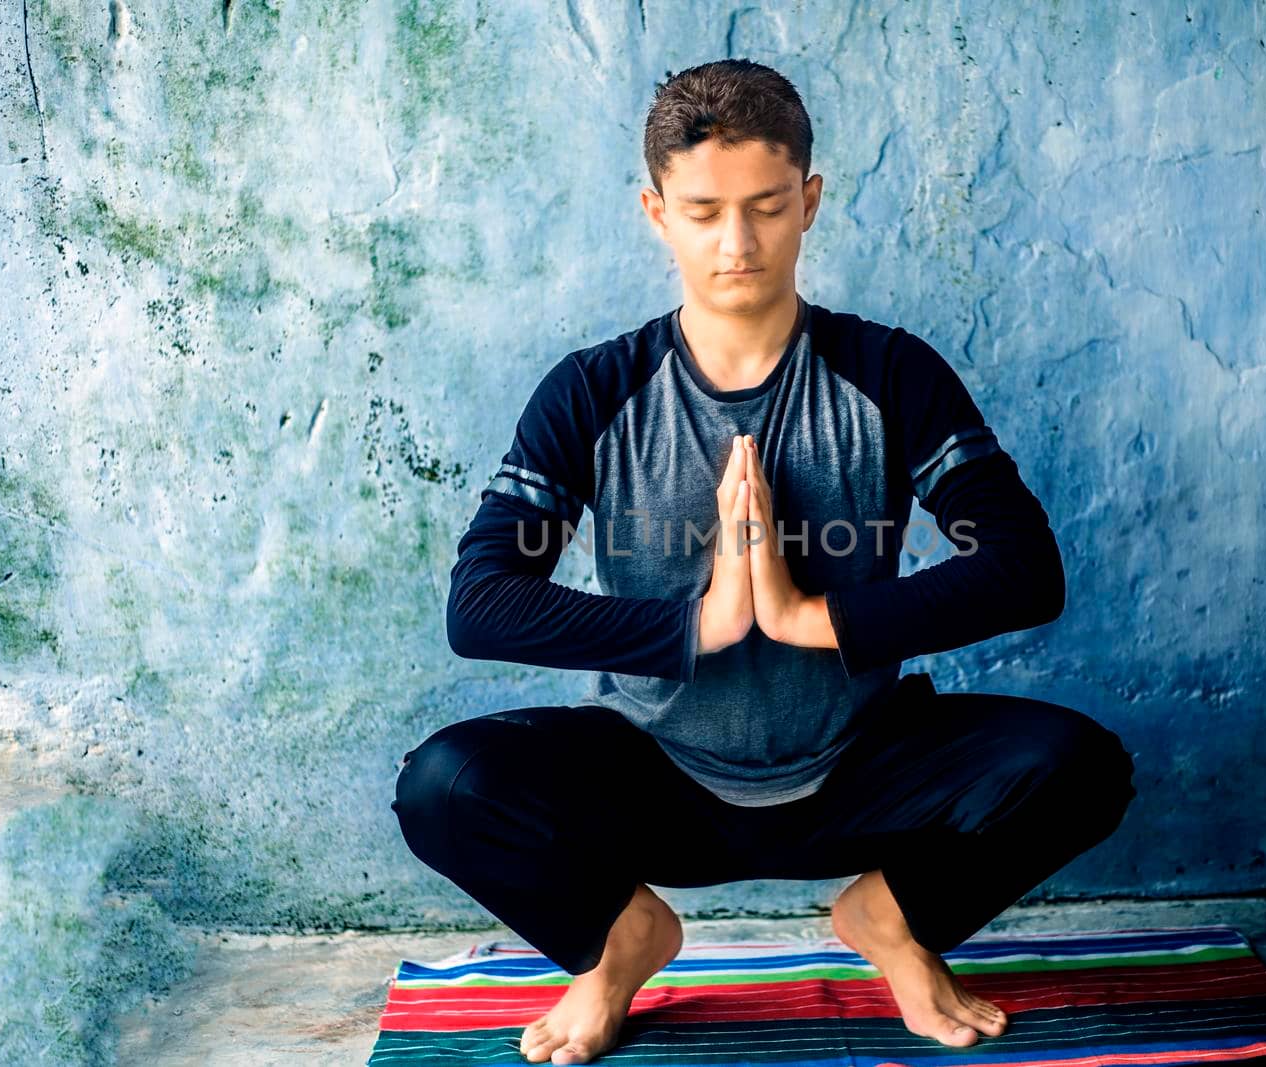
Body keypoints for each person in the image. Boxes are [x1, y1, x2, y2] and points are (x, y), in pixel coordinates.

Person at [393, 58, 1137, 1066]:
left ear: (809, 203)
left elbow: (1022, 567)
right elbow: (480, 604)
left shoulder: (889, 372)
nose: (735, 243)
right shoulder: (592, 390)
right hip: (656, 779)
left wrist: (805, 618)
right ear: (656, 212)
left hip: (855, 770)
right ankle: (621, 945)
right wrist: (692, 627)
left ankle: (891, 920)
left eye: (765, 207)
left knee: (1079, 765)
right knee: (442, 783)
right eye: (703, 212)